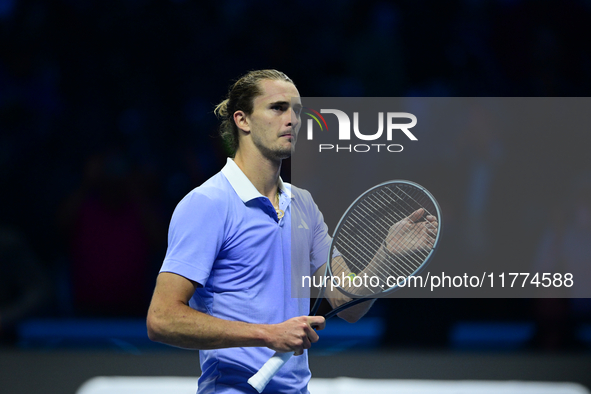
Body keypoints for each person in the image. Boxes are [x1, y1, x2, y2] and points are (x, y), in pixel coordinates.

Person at [147, 70, 436, 393]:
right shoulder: (208, 203)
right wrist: (268, 334)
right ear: (243, 120)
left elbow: (347, 303)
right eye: (278, 108)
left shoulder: (304, 205)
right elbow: (162, 319)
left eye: (297, 111)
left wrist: (385, 256)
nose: (293, 120)